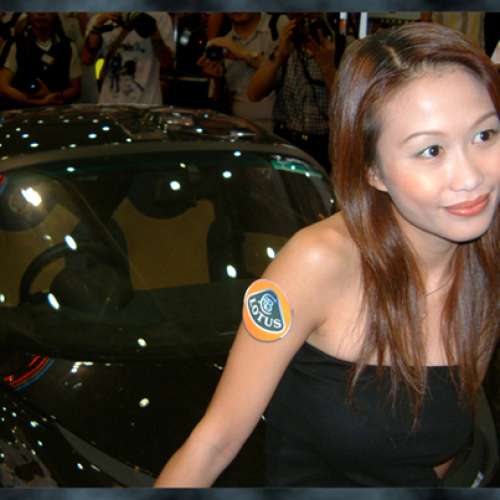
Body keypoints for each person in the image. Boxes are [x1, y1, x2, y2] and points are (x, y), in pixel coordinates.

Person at [154, 22, 500, 487]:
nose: (471, 177)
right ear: (372, 171)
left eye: (484, 135)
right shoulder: (315, 264)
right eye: (431, 150)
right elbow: (213, 443)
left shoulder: (484, 263)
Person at [247, 13, 337, 173]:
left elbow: (346, 108)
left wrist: (327, 67)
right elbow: (254, 93)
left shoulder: (341, 48)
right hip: (287, 142)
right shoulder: (286, 47)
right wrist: (280, 55)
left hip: (325, 146)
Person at [198, 12, 288, 131]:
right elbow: (224, 106)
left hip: (278, 131)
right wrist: (217, 79)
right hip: (238, 130)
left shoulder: (278, 25)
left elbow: (286, 73)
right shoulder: (223, 43)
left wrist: (243, 54)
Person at [82, 12, 174, 105]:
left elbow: (167, 64)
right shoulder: (101, 18)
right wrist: (97, 26)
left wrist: (154, 32)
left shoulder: (160, 16)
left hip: (147, 103)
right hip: (109, 104)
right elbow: (87, 59)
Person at [0, 12, 81, 108]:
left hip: (57, 111)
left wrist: (54, 96)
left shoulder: (68, 46)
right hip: (21, 111)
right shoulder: (15, 44)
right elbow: (3, 86)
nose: (41, 13)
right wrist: (38, 102)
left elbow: (75, 88)